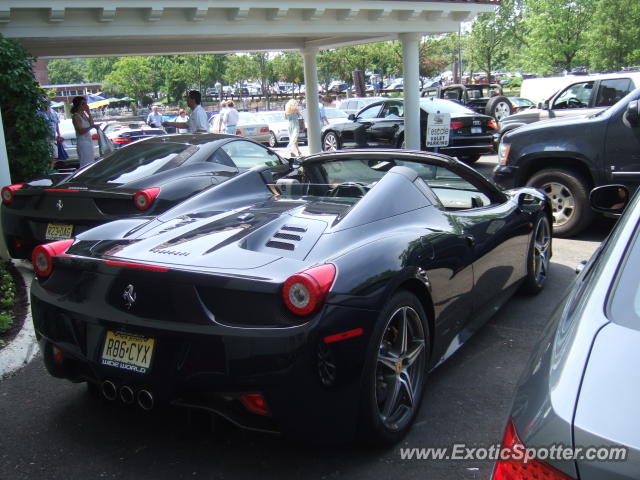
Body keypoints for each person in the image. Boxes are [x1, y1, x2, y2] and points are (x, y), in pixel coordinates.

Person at [71, 96, 99, 168]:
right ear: (78, 105)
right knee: (85, 163)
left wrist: (89, 113)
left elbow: (91, 123)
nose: (85, 105)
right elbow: (80, 131)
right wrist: (91, 127)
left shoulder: (84, 115)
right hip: (83, 143)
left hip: (88, 141)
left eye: (85, 103)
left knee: (90, 162)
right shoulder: (76, 116)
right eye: (83, 104)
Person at [44, 101, 61, 165]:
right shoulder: (39, 113)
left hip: (52, 138)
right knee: (46, 155)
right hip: (44, 138)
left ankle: (51, 169)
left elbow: (56, 124)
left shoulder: (53, 112)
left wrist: (59, 134)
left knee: (54, 156)